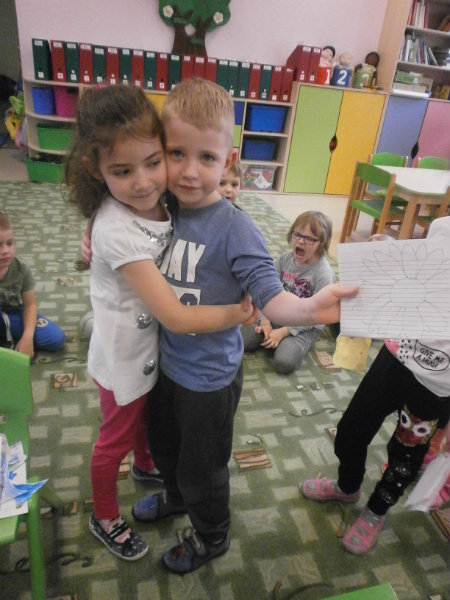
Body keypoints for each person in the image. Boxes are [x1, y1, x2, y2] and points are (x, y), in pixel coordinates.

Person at [127, 78, 357, 574]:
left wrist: (315, 309)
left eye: (206, 158)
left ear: (228, 160)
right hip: (164, 365)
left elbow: (273, 299)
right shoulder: (160, 209)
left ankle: (212, 535)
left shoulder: (237, 229)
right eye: (177, 153)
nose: (190, 171)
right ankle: (176, 498)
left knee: (203, 469)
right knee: (163, 447)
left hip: (209, 380)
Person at [65, 84, 255, 561]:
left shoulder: (166, 199)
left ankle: (172, 491)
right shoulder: (117, 222)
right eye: (123, 171)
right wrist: (237, 315)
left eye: (154, 162)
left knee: (160, 433)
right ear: (96, 169)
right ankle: (104, 515)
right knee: (119, 438)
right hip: (127, 357)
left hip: (160, 354)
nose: (145, 182)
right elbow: (173, 313)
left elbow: (211, 220)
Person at [302, 216, 450, 555]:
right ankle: (347, 487)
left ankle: (375, 511)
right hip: (397, 355)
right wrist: (387, 257)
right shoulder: (443, 226)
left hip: (436, 383)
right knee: (351, 430)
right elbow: (420, 275)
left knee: (404, 457)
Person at [241, 211, 335, 374]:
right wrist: (265, 320)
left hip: (305, 326)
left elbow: (318, 316)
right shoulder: (284, 260)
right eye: (297, 234)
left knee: (284, 362)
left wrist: (283, 332)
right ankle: (269, 336)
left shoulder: (323, 273)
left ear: (321, 243)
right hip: (277, 315)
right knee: (240, 340)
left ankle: (283, 341)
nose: (301, 241)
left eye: (309, 239)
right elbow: (265, 290)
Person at [0, 212, 65, 357]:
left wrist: (27, 337)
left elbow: (30, 305)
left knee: (55, 338)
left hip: (13, 314)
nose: (5, 251)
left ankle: (9, 338)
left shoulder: (21, 268)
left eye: (9, 243)